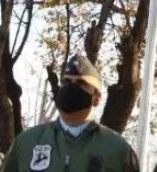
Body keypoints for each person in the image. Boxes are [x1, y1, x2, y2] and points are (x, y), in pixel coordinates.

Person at [1, 53, 139, 172]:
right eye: (66, 81)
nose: (72, 87)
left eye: (81, 83)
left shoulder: (118, 149)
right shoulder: (26, 143)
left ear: (96, 98)